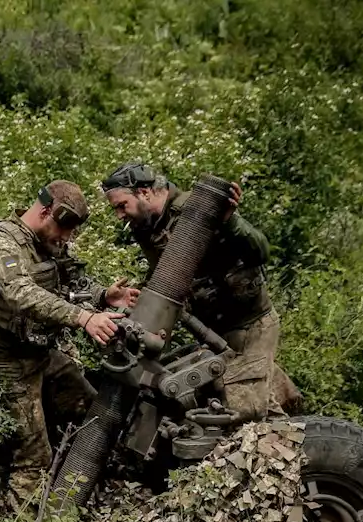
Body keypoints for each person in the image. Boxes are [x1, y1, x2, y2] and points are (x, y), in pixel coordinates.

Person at [0, 180, 139, 512]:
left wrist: (103, 296)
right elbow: (21, 294)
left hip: (41, 354)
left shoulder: (45, 242)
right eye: (63, 229)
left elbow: (68, 280)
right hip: (8, 365)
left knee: (92, 410)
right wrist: (84, 318)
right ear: (44, 211)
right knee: (33, 459)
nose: (66, 239)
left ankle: (89, 490)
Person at [99, 161, 301, 421]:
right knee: (249, 403)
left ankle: (302, 453)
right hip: (212, 332)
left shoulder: (196, 210)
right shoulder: (148, 227)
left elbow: (261, 250)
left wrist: (230, 221)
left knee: (245, 414)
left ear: (144, 192)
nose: (119, 215)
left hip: (250, 325)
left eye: (121, 205)